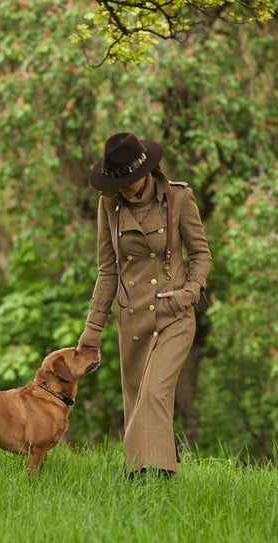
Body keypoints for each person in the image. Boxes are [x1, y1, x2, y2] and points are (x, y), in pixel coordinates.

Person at [77, 132, 212, 481]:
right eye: (117, 182)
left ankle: (153, 479)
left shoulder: (179, 198)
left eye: (128, 181)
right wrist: (92, 331)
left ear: (146, 170)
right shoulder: (109, 204)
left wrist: (189, 293)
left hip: (174, 315)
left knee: (154, 392)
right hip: (132, 319)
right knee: (138, 399)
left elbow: (201, 255)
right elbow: (108, 270)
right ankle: (140, 476)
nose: (123, 188)